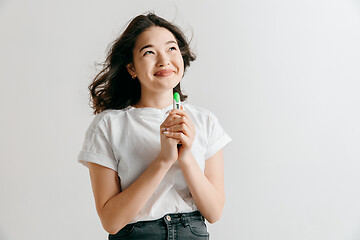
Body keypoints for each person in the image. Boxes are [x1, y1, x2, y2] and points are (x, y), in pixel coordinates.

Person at [77, 13, 232, 240]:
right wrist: (164, 160)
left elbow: (214, 212)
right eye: (149, 52)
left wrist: (186, 156)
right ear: (131, 68)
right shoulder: (108, 125)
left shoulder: (205, 121)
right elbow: (110, 222)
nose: (164, 60)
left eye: (171, 49)